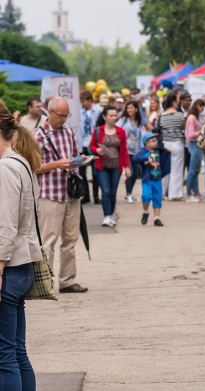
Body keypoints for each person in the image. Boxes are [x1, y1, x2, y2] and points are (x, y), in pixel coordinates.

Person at [0, 99, 44, 391]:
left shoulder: (6, 167)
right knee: (16, 349)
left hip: (10, 265)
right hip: (24, 264)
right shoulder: (22, 163)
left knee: (5, 355)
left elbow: (5, 227)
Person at [33, 97, 88, 294]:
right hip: (49, 193)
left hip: (70, 193)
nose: (64, 119)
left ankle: (67, 280)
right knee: (48, 241)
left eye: (67, 115)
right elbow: (33, 167)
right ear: (50, 112)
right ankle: (44, 283)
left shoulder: (68, 132)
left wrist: (80, 161)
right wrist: (56, 164)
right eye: (61, 115)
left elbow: (73, 155)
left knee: (71, 240)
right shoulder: (38, 135)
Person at [90, 106, 132, 227]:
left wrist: (127, 167)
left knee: (113, 192)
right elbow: (91, 146)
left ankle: (111, 214)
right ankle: (107, 216)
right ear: (104, 117)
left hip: (116, 166)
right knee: (106, 191)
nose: (114, 118)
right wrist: (97, 150)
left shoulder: (120, 131)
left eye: (115, 115)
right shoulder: (98, 130)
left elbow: (124, 150)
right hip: (101, 166)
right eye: (111, 116)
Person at [134, 132, 170, 226]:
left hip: (157, 179)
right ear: (147, 143)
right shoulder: (143, 151)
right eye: (152, 141)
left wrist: (167, 151)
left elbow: (164, 152)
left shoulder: (159, 150)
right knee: (146, 196)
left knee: (157, 197)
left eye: (155, 140)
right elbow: (135, 157)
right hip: (147, 179)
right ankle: (146, 212)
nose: (155, 142)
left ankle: (157, 218)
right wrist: (146, 158)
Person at [156, 92, 185, 200]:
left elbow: (156, 129)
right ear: (173, 102)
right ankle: (175, 194)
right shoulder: (180, 116)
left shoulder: (161, 117)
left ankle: (162, 192)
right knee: (176, 169)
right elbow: (184, 128)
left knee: (164, 169)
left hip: (165, 144)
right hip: (177, 143)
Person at [118, 100, 145, 203]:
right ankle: (128, 194)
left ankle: (129, 193)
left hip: (136, 150)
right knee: (131, 173)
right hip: (126, 150)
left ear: (136, 109)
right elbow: (118, 131)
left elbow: (141, 135)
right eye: (128, 108)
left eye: (131, 108)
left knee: (136, 172)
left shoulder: (139, 121)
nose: (129, 110)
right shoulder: (123, 120)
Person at [79, 90, 102, 205]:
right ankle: (86, 195)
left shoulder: (99, 111)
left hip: (94, 144)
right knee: (82, 171)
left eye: (83, 101)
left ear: (89, 100)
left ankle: (96, 196)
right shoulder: (80, 112)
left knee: (95, 172)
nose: (82, 104)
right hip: (83, 144)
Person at [184, 99, 205, 203]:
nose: (202, 110)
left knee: (195, 171)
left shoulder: (192, 117)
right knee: (192, 171)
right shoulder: (192, 118)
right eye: (202, 107)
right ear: (198, 106)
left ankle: (196, 193)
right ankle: (189, 194)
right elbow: (190, 134)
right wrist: (200, 132)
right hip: (194, 145)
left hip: (195, 145)